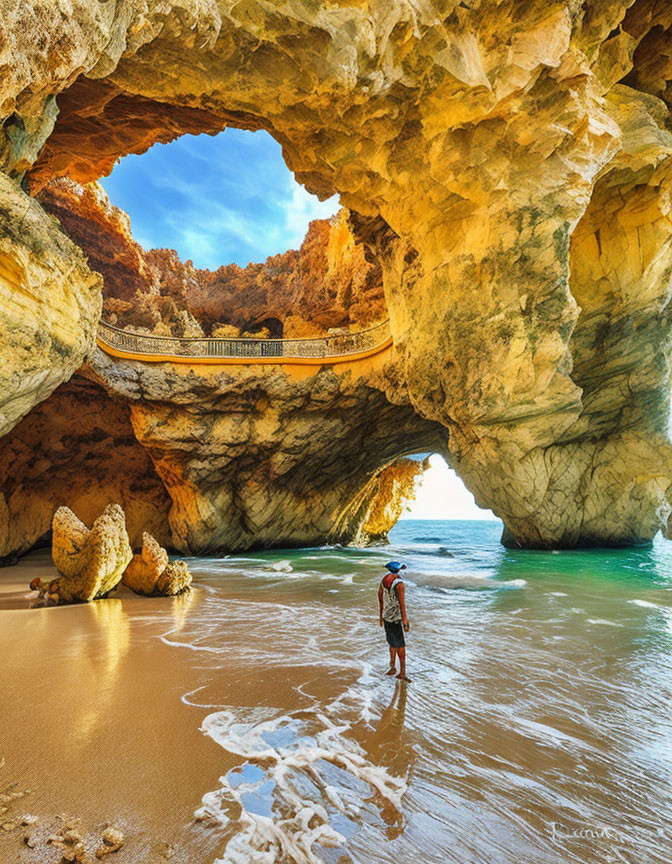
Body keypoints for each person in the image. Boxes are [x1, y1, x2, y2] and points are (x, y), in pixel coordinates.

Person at [378, 561, 411, 683]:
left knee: (392, 644)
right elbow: (402, 605)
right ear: (398, 570)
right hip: (396, 619)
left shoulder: (384, 580)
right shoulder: (399, 584)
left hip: (387, 617)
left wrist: (381, 615)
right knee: (401, 648)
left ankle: (392, 667)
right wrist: (405, 622)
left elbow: (380, 596)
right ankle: (402, 673)